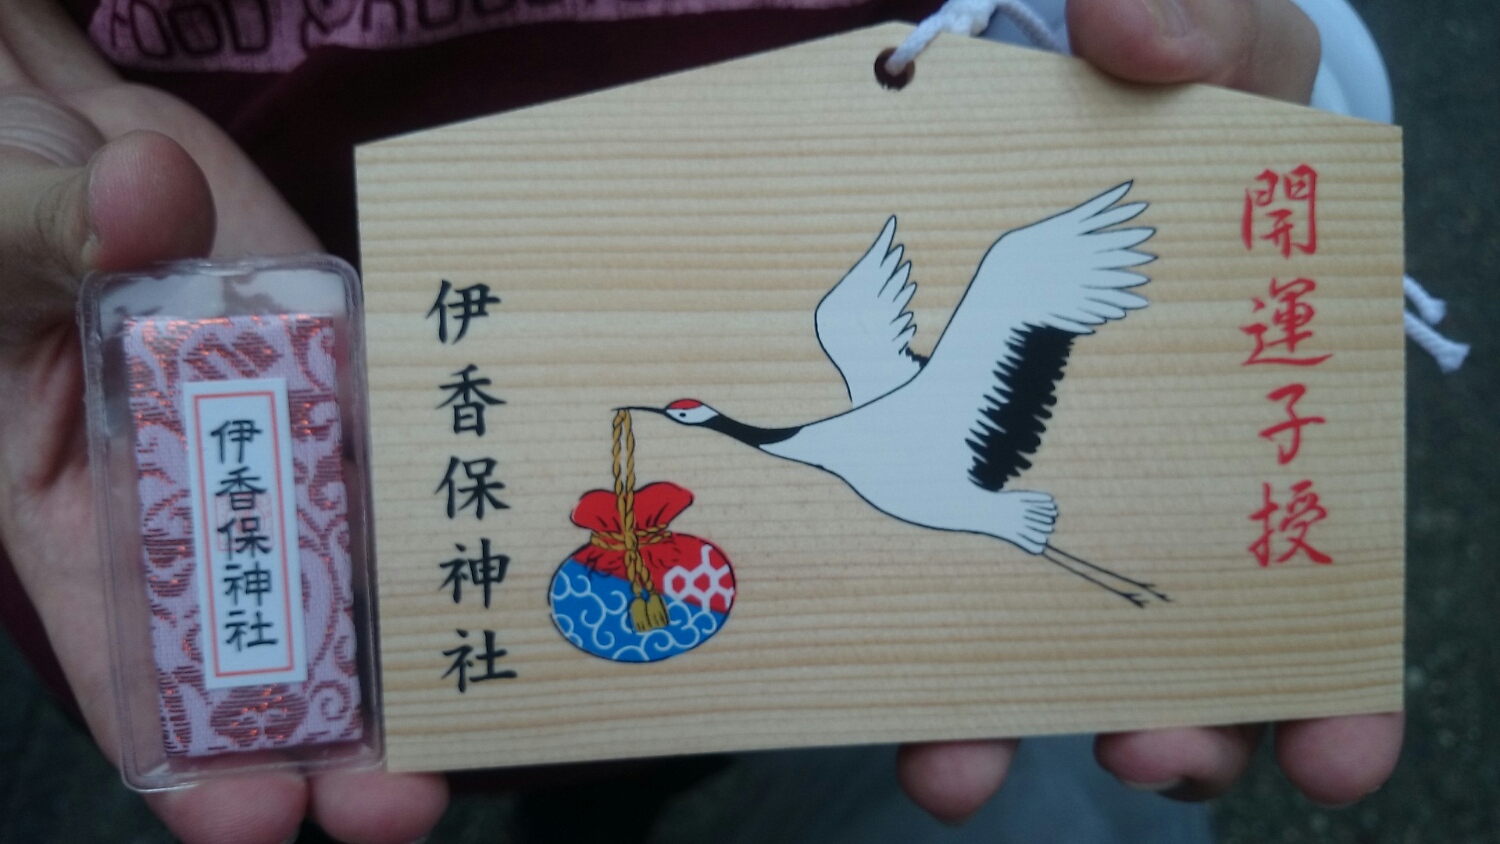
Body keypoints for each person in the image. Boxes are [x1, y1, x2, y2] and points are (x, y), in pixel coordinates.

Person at [0, 0, 1401, 841]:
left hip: (852, 595)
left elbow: (1225, 69)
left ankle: (605, 800)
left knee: (702, 723)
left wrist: (1241, 108)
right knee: (320, 776)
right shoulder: (842, 396)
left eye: (689, 415)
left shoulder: (884, 402)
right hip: (271, 530)